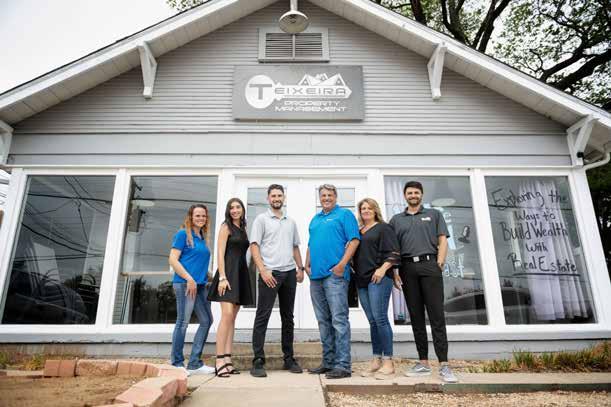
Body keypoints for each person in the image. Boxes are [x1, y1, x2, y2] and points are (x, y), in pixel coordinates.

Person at [389, 181, 458, 383]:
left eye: (416, 192)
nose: (413, 195)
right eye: (409, 192)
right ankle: (423, 363)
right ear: (405, 196)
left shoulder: (434, 214)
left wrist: (440, 262)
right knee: (416, 317)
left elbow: (443, 239)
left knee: (437, 316)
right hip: (407, 269)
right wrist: (395, 271)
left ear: (421, 195)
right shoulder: (396, 220)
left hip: (430, 266)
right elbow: (393, 248)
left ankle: (444, 365)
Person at [249, 184, 305, 377]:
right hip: (270, 273)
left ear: (283, 198)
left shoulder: (291, 222)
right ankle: (258, 360)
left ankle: (288, 359)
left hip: (289, 273)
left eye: (279, 195)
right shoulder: (261, 220)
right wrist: (263, 270)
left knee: (288, 317)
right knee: (262, 316)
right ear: (268, 198)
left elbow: (295, 247)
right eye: (273, 196)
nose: (276, 198)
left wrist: (300, 268)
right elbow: (254, 246)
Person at [306, 184, 360, 379]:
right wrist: (306, 264)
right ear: (319, 198)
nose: (326, 198)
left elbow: (354, 240)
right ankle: (328, 362)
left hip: (335, 276)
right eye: (323, 195)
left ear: (336, 197)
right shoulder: (315, 219)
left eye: (330, 195)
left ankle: (343, 365)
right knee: (323, 321)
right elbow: (311, 243)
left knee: (338, 319)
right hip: (316, 277)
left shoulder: (344, 215)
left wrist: (342, 264)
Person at [352, 198, 401, 379]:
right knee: (372, 321)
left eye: (369, 208)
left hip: (378, 277)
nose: (365, 210)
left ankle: (388, 362)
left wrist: (384, 269)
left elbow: (394, 252)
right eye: (363, 208)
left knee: (380, 319)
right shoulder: (359, 231)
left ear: (375, 210)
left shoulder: (383, 228)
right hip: (362, 280)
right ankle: (376, 359)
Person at [208, 198, 254, 377]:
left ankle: (228, 359)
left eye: (238, 207)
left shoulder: (243, 228)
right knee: (226, 315)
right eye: (232, 208)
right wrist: (222, 277)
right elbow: (220, 253)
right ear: (228, 211)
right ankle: (219, 360)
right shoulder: (225, 227)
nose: (235, 210)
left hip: (240, 274)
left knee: (232, 318)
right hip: (227, 274)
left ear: (242, 209)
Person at [168, 204, 215, 375]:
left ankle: (195, 363)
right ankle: (176, 363)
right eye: (197, 215)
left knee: (207, 320)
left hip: (200, 285)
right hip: (184, 284)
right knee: (183, 322)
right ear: (190, 217)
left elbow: (197, 262)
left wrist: (212, 276)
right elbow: (173, 259)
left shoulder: (201, 237)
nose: (201, 218)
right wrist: (189, 279)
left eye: (203, 216)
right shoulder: (183, 234)